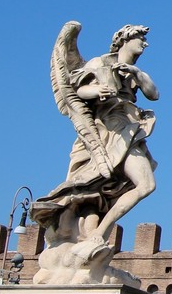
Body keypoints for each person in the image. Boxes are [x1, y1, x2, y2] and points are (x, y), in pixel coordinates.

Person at [34, 24, 158, 260]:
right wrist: (97, 90)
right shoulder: (99, 64)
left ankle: (98, 233)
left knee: (142, 185)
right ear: (124, 39)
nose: (145, 43)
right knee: (95, 188)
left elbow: (154, 94)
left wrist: (137, 75)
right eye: (140, 38)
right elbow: (76, 90)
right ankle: (93, 234)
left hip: (128, 130)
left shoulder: (134, 72)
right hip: (104, 131)